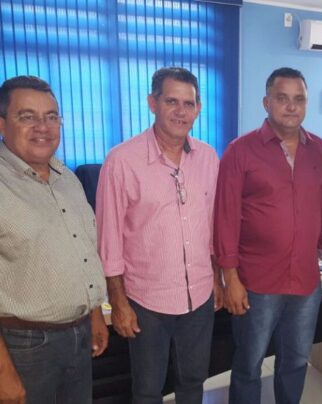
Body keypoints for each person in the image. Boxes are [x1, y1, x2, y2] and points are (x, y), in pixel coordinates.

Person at [213, 67, 322, 404]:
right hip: (256, 281)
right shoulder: (240, 151)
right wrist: (230, 278)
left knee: (297, 361)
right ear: (266, 103)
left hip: (305, 280)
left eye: (299, 99)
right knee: (249, 364)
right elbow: (225, 219)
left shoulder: (321, 151)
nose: (291, 106)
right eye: (282, 98)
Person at [96, 67, 222, 404]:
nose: (181, 111)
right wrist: (118, 303)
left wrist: (217, 279)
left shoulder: (209, 158)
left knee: (193, 381)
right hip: (146, 301)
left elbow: (212, 226)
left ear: (198, 109)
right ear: (152, 103)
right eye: (171, 101)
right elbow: (109, 240)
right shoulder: (122, 161)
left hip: (199, 296)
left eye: (188, 103)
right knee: (148, 389)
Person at [0, 76, 108, 404]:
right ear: (2, 124)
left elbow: (82, 250)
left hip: (78, 335)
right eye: (27, 116)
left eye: (51, 116)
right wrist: (2, 373)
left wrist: (94, 313)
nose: (43, 127)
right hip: (23, 345)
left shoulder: (67, 178)